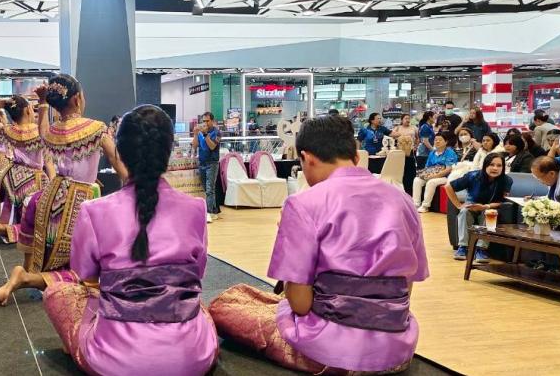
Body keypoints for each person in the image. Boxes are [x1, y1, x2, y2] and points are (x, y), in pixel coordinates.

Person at [209, 115, 428, 374]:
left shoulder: (303, 203)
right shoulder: (403, 200)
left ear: (307, 158)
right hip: (396, 347)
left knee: (225, 306)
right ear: (355, 157)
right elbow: (407, 286)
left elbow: (300, 305)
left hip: (332, 349)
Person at [42, 105, 218, 376]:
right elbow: (199, 271)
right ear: (168, 152)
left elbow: (85, 275)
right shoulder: (196, 208)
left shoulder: (93, 211)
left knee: (58, 292)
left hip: (114, 360)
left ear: (120, 153)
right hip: (191, 358)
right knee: (202, 306)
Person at [0, 74, 128, 306]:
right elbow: (118, 163)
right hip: (80, 200)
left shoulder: (52, 132)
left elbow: (42, 130)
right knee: (89, 274)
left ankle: (30, 272)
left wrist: (42, 103)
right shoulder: (96, 128)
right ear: (77, 99)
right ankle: (27, 278)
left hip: (52, 194)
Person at [0, 96, 48, 247]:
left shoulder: (10, 130)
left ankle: (1, 226)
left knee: (12, 208)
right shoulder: (37, 131)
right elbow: (45, 130)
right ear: (28, 110)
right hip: (33, 178)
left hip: (12, 176)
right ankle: (2, 229)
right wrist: (43, 103)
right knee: (35, 219)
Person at [444, 153, 512, 264]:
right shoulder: (473, 176)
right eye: (491, 164)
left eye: (499, 165)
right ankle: (463, 247)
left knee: (490, 213)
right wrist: (458, 205)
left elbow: (503, 201)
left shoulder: (507, 180)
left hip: (489, 208)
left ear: (503, 167)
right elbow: (448, 187)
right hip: (472, 206)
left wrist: (486, 206)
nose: (495, 168)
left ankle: (481, 249)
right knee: (464, 211)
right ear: (485, 165)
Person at [412, 135, 458, 213]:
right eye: (436, 140)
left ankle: (425, 206)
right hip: (432, 174)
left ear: (446, 142)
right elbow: (427, 167)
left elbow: (448, 169)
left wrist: (434, 176)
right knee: (417, 180)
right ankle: (416, 204)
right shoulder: (432, 153)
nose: (437, 141)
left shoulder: (450, 152)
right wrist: (426, 175)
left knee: (431, 182)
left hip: (446, 177)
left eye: (440, 140)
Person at [193, 112, 221, 223]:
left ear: (212, 121)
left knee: (210, 189)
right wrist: (196, 134)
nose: (205, 123)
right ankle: (213, 211)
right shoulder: (200, 132)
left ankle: (209, 213)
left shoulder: (217, 132)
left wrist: (205, 135)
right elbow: (195, 146)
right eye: (203, 121)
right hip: (202, 163)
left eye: (207, 121)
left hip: (212, 163)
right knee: (207, 189)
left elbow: (212, 146)